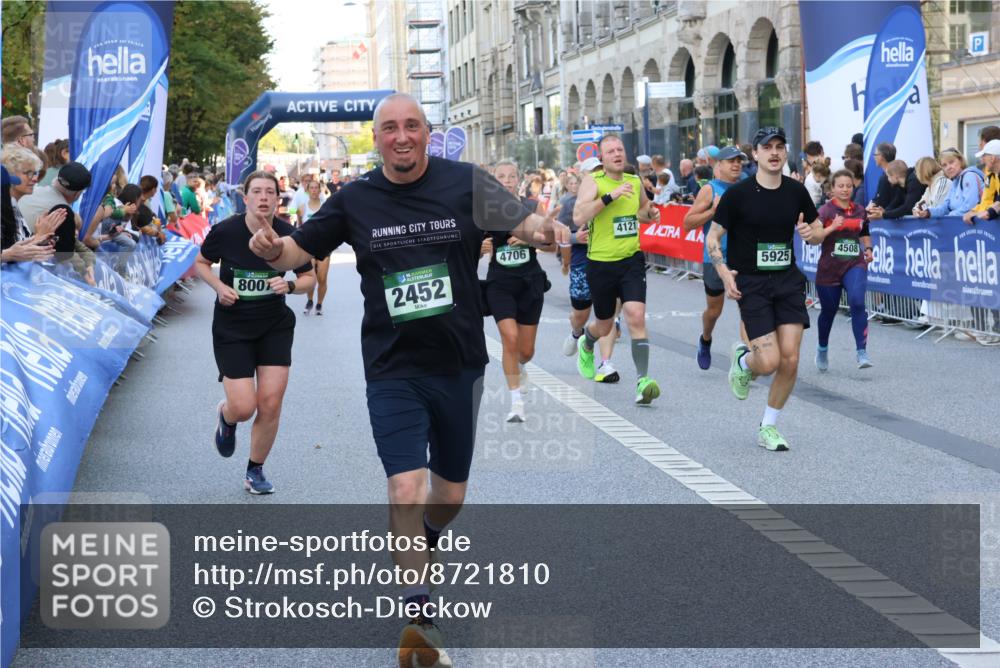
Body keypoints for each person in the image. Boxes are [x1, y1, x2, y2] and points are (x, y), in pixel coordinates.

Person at [247, 93, 566, 665]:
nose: (401, 136)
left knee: (448, 497)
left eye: (411, 126)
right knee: (404, 487)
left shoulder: (466, 183)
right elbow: (295, 250)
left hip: (459, 363)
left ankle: (425, 537)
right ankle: (420, 617)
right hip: (393, 370)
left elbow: (529, 225)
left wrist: (550, 231)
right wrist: (272, 248)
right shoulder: (356, 199)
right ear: (377, 138)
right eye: (389, 128)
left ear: (426, 133)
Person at [194, 170, 316, 495]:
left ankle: (255, 470)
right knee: (245, 406)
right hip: (232, 327)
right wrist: (220, 287)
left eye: (270, 192)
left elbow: (309, 279)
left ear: (278, 199)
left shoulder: (291, 235)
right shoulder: (225, 231)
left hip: (274, 326)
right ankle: (227, 416)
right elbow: (201, 263)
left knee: (271, 403)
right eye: (257, 191)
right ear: (245, 198)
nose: (264, 197)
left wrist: (288, 284)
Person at [707, 126, 821, 452]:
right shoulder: (737, 195)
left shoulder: (796, 192)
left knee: (791, 359)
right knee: (769, 362)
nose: (774, 152)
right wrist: (724, 272)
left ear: (785, 153)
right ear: (754, 154)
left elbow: (816, 230)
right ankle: (744, 362)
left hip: (787, 280)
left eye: (780, 147)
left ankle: (768, 426)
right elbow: (713, 238)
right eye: (767, 147)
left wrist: (811, 233)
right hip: (752, 284)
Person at [572, 134, 662, 404]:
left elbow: (643, 212)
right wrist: (609, 197)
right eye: (610, 151)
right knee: (604, 323)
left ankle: (642, 380)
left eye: (620, 149)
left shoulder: (634, 182)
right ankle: (587, 342)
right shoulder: (593, 182)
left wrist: (652, 215)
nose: (617, 154)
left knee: (636, 315)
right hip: (600, 262)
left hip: (631, 260)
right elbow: (579, 216)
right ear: (602, 157)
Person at [481, 160, 554, 422]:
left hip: (530, 281)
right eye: (501, 176)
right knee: (509, 339)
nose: (507, 180)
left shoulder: (532, 207)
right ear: (493, 181)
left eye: (512, 176)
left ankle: (521, 366)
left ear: (519, 180)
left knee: (526, 351)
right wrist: (479, 250)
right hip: (500, 282)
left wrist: (528, 238)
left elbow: (551, 246)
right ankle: (516, 403)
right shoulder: (484, 212)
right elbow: (467, 250)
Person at [683, 146, 748, 369]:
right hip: (715, 258)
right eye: (731, 161)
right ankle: (705, 339)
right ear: (718, 165)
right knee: (714, 311)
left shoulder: (747, 186)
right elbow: (687, 223)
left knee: (747, 307)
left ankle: (745, 359)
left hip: (743, 258)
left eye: (739, 161)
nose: (737, 164)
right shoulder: (710, 190)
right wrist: (713, 211)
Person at [560, 160, 623, 382]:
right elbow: (559, 236)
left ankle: (606, 364)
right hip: (582, 262)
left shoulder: (617, 196)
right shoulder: (569, 203)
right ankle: (577, 333)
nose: (599, 176)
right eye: (594, 172)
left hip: (611, 261)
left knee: (609, 314)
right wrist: (576, 237)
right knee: (581, 315)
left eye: (601, 170)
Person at [814, 169, 874, 371]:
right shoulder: (825, 211)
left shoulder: (859, 210)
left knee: (857, 301)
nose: (845, 189)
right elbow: (815, 237)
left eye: (849, 185)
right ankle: (822, 348)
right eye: (841, 186)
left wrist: (868, 249)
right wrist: (832, 227)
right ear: (832, 189)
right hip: (829, 267)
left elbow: (864, 231)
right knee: (828, 312)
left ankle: (862, 352)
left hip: (853, 264)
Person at [920, 149, 984, 219]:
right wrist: (928, 212)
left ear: (961, 161)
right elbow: (945, 207)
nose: (948, 167)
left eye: (951, 162)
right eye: (944, 165)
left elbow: (970, 206)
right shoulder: (955, 181)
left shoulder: (969, 176)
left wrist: (949, 217)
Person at [298, 178, 330, 315]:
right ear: (307, 190)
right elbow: (300, 226)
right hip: (308, 247)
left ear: (320, 190)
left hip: (324, 247)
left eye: (316, 188)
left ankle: (319, 304)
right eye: (311, 188)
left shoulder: (326, 206)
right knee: (311, 277)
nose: (314, 191)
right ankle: (310, 300)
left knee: (322, 278)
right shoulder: (302, 207)